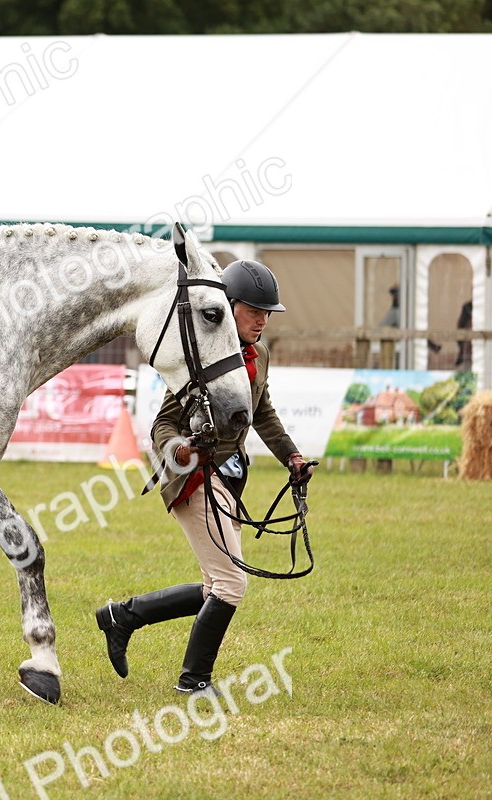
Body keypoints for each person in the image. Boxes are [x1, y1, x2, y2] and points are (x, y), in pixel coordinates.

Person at [95, 260, 314, 695]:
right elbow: (163, 424)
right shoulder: (200, 358)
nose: (263, 318)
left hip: (231, 479)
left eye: (268, 311)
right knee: (231, 583)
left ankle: (122, 616)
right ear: (228, 307)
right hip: (194, 477)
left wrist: (291, 455)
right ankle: (193, 681)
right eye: (254, 309)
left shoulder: (260, 355)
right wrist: (177, 448)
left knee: (215, 584)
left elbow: (262, 411)